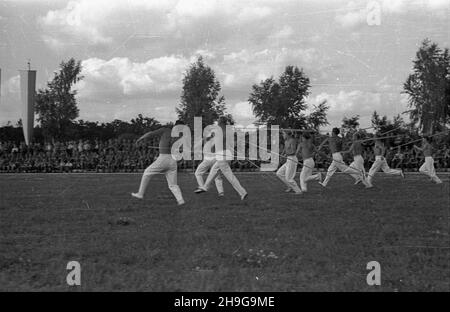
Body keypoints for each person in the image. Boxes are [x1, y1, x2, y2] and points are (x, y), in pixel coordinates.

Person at [131, 120, 185, 205]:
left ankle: (140, 194)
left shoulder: (166, 130)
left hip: (164, 157)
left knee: (147, 172)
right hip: (173, 160)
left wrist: (140, 139)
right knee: (173, 184)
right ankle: (180, 200)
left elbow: (150, 134)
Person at [195, 117, 248, 200]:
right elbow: (233, 143)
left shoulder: (217, 130)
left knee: (229, 176)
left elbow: (211, 141)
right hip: (228, 154)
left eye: (218, 121)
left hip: (222, 155)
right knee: (214, 170)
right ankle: (205, 187)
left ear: (220, 122)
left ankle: (242, 192)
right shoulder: (229, 131)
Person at [194, 131, 224, 196]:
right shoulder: (217, 139)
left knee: (198, 173)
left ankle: (202, 187)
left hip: (208, 160)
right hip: (215, 159)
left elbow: (196, 146)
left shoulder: (206, 139)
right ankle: (221, 192)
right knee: (217, 176)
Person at [277, 130, 302, 194]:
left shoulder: (292, 140)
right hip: (288, 159)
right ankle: (290, 186)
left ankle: (298, 191)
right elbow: (285, 149)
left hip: (292, 159)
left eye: (283, 134)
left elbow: (293, 151)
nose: (283, 135)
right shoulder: (286, 141)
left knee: (288, 178)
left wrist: (286, 155)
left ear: (288, 135)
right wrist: (282, 155)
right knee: (279, 173)